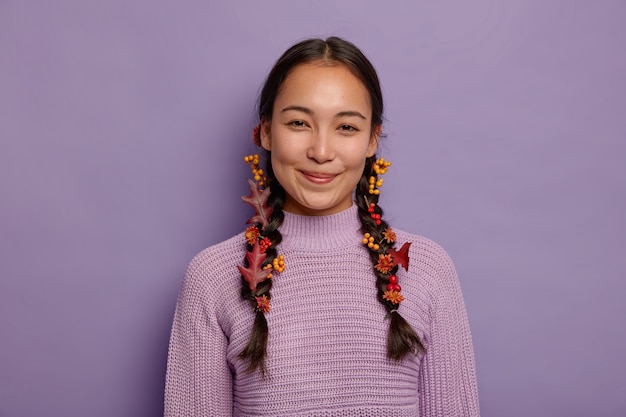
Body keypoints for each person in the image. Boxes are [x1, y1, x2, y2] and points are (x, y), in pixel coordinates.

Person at [164, 36, 480, 416]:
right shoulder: (212, 278)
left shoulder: (428, 270)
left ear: (371, 140)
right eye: (299, 122)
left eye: (346, 127)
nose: (321, 151)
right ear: (265, 131)